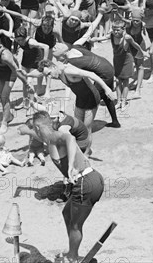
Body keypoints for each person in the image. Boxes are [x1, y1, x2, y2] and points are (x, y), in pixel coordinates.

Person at [31, 110, 104, 263]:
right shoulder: (50, 138)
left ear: (38, 127)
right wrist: (26, 130)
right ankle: (73, 252)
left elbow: (70, 138)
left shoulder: (55, 136)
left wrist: (70, 165)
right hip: (88, 180)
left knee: (76, 225)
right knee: (66, 214)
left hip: (86, 182)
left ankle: (72, 257)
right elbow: (43, 137)